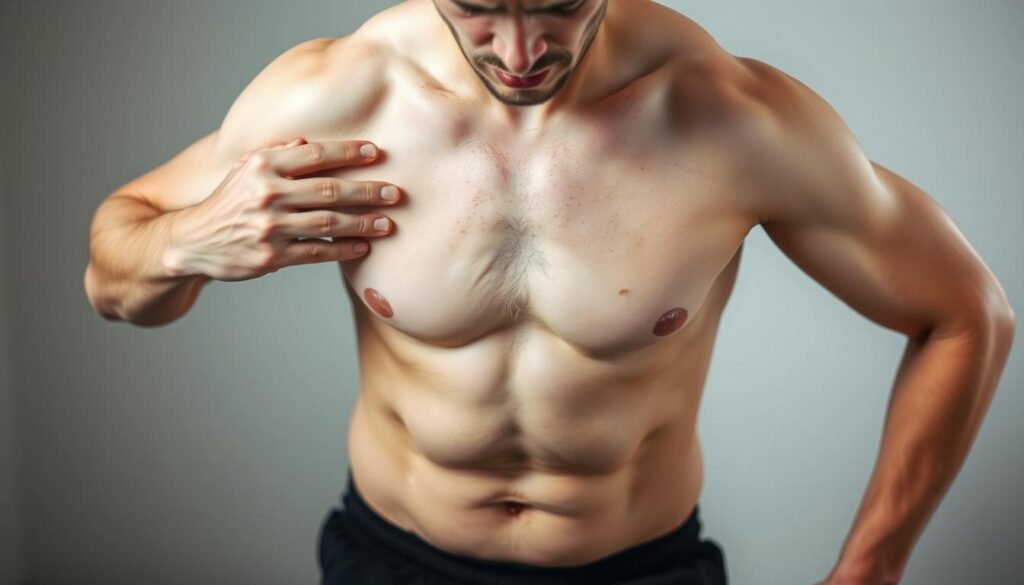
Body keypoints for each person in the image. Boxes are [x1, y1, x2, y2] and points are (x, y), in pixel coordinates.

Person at [83, 1, 1016, 583]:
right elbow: (114, 280)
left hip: (640, 570)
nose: (522, 50)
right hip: (392, 563)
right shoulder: (340, 95)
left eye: (562, 6)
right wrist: (184, 244)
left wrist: (870, 567)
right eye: (480, 7)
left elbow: (967, 313)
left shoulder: (731, 120)